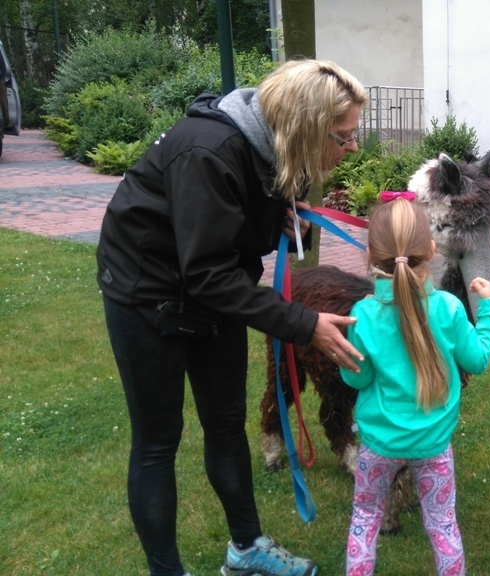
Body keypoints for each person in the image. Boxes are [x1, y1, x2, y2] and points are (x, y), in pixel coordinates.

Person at [96, 59, 368, 576]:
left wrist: (284, 219)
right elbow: (207, 274)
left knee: (225, 424)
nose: (352, 148)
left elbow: (235, 234)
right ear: (305, 126)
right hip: (144, 293)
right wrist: (304, 324)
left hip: (214, 289)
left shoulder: (276, 149)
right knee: (157, 441)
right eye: (344, 136)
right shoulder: (208, 152)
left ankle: (245, 549)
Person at [340, 198, 490, 576]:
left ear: (370, 256)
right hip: (434, 446)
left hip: (378, 446)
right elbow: (478, 359)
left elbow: (357, 379)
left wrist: (346, 356)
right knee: (443, 524)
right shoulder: (449, 308)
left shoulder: (362, 314)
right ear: (431, 250)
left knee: (365, 517)